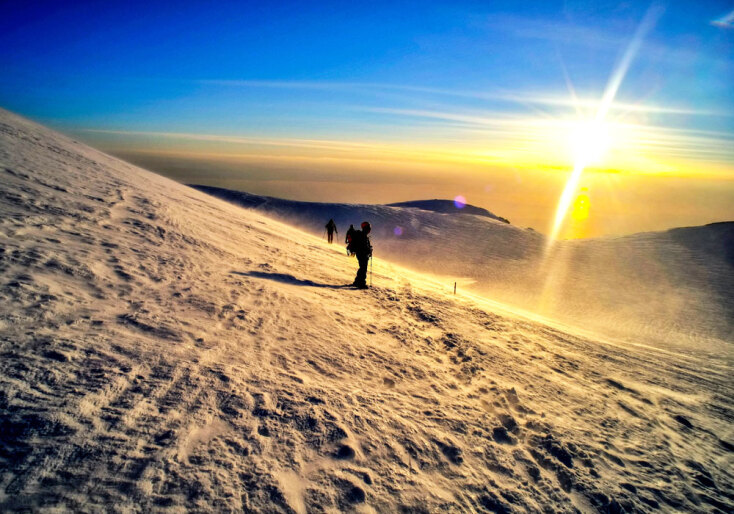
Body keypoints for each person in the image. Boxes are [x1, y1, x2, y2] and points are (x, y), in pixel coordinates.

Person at [348, 221, 372, 289]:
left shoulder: (361, 235)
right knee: (363, 268)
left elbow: (362, 246)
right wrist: (369, 250)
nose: (369, 229)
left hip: (360, 253)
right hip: (362, 254)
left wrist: (368, 249)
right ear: (366, 228)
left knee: (362, 268)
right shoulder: (362, 236)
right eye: (369, 228)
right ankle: (361, 283)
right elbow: (363, 246)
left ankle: (357, 282)